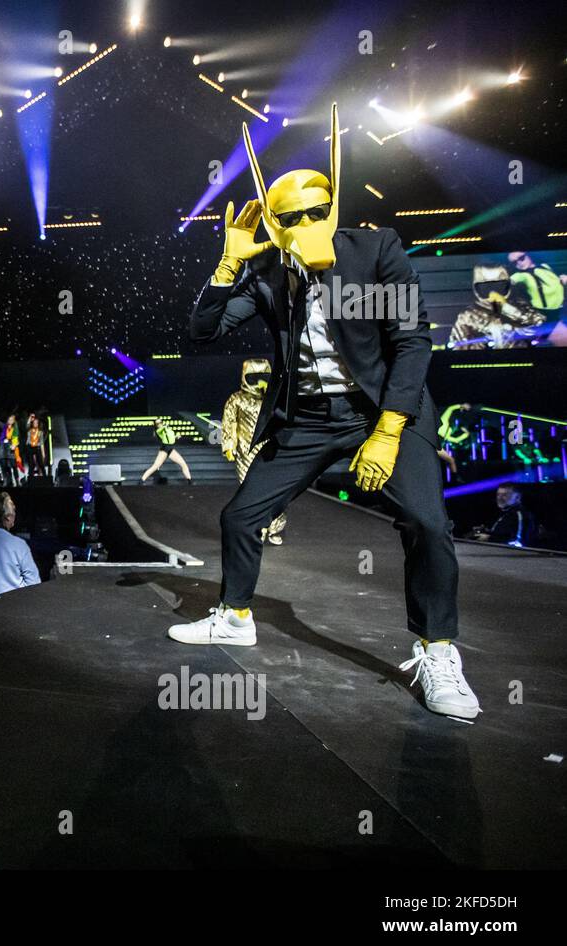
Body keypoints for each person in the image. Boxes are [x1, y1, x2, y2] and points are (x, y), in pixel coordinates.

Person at [171, 104, 478, 721]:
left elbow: (413, 341)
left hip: (384, 410)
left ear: (333, 207)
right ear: (277, 224)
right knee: (240, 516)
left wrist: (389, 432)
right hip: (308, 417)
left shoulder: (375, 250)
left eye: (319, 210)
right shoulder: (264, 273)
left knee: (427, 524)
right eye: (294, 217)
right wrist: (230, 261)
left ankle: (437, 648)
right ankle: (234, 616)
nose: (309, 222)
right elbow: (198, 334)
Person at [221, 359, 284, 544]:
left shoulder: (274, 398)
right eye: (253, 377)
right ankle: (256, 529)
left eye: (263, 377)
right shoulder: (236, 399)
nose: (258, 381)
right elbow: (229, 422)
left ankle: (273, 527)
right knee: (249, 491)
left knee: (275, 491)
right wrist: (229, 446)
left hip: (270, 450)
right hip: (245, 452)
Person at [470, 484, 536, 547]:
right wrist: (486, 531)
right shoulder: (506, 513)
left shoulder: (520, 515)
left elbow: (519, 542)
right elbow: (503, 536)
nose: (499, 498)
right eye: (498, 495)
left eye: (505, 495)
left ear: (517, 497)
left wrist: (489, 538)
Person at [141, 417, 193, 484]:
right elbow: (161, 430)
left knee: (183, 464)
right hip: (165, 449)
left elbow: (170, 438)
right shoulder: (158, 431)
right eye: (157, 423)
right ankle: (141, 480)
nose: (159, 424)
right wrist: (165, 426)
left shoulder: (166, 429)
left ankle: (190, 481)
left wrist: (176, 436)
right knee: (155, 466)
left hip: (170, 449)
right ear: (155, 425)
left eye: (160, 422)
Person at [23, 413, 46, 481]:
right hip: (30, 447)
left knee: (40, 463)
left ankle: (45, 477)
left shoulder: (40, 432)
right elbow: (27, 425)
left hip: (37, 448)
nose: (35, 424)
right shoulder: (29, 431)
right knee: (31, 464)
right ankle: (30, 478)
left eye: (37, 423)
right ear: (32, 423)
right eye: (34, 423)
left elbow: (41, 443)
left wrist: (43, 453)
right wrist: (30, 417)